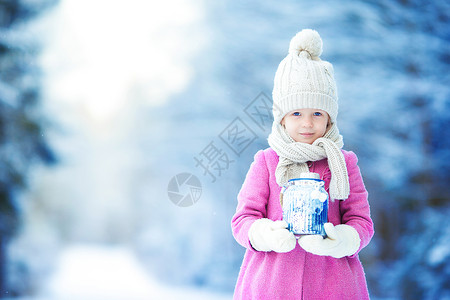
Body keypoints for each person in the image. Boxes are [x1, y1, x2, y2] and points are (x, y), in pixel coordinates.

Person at [231, 29, 374, 300]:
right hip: (270, 286)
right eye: (296, 113)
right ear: (282, 118)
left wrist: (343, 240)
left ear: (329, 119)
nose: (307, 123)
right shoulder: (266, 161)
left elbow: (361, 221)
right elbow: (243, 219)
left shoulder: (344, 163)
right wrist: (265, 234)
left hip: (334, 286)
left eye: (317, 113)